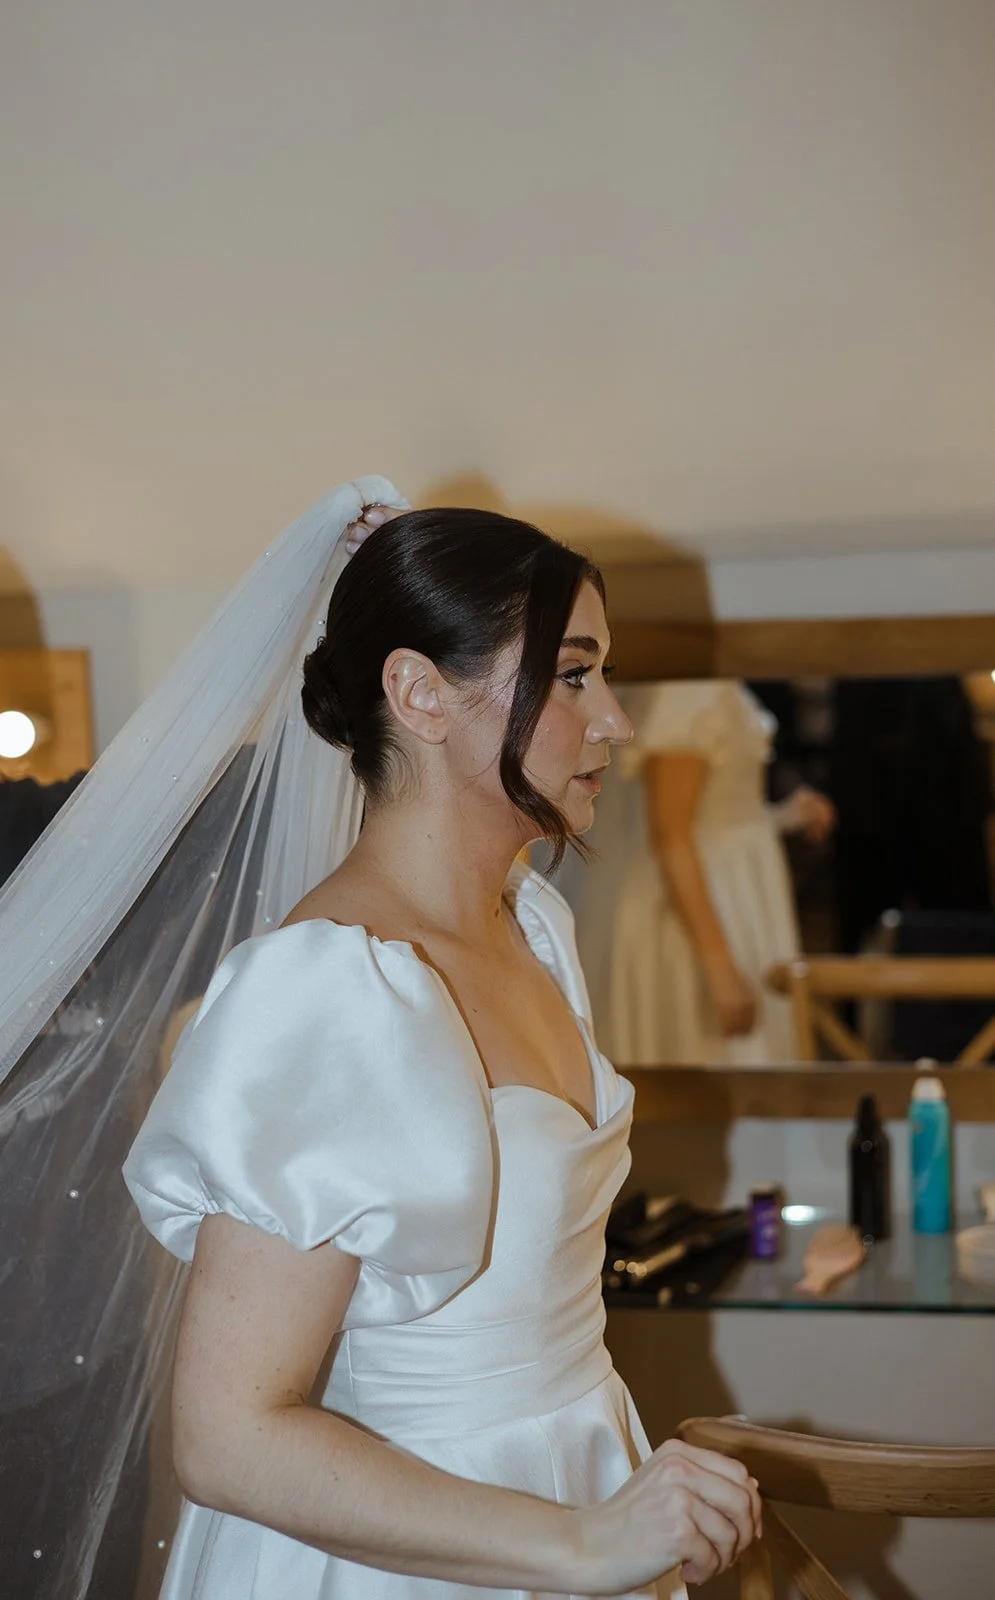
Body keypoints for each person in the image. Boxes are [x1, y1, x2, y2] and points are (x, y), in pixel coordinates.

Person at [120, 499, 762, 1599]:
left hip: (578, 1474)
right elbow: (225, 1438)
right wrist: (576, 1545)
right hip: (404, 1552)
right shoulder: (324, 994)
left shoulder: (538, 930)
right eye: (571, 675)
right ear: (417, 692)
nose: (612, 721)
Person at [568, 679, 834, 1066]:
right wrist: (720, 968)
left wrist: (780, 816)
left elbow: (711, 816)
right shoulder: (687, 691)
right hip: (691, 915)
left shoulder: (712, 685)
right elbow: (669, 834)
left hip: (731, 898)